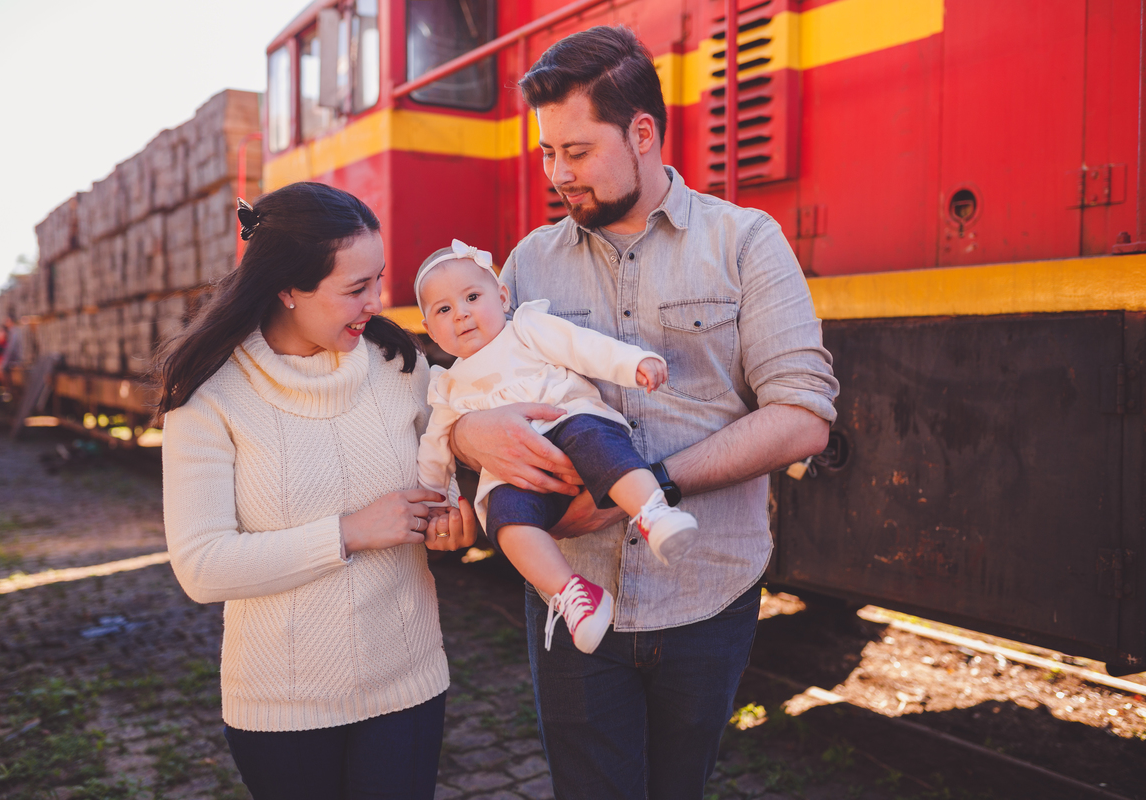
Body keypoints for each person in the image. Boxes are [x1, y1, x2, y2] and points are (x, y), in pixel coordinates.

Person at [449, 26, 840, 800]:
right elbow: (470, 387)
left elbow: (802, 414)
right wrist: (466, 434)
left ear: (642, 132)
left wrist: (644, 484)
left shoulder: (746, 243)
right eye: (547, 154)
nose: (558, 175)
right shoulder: (526, 263)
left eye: (577, 152)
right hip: (573, 599)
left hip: (707, 595)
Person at [157, 182, 477, 800]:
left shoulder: (400, 364)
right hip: (282, 706)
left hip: (408, 683)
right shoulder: (210, 396)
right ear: (288, 289)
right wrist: (350, 532)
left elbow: (448, 468)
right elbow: (202, 567)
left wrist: (454, 520)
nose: (375, 302)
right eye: (355, 289)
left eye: (377, 281)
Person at [415, 239, 699, 655]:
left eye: (472, 297)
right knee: (506, 521)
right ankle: (573, 596)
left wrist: (631, 362)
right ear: (429, 328)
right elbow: (433, 450)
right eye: (443, 310)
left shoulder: (526, 329)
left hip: (568, 420)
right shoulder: (447, 385)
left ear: (502, 296)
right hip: (517, 474)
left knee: (597, 441)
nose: (461, 313)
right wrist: (435, 499)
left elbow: (582, 346)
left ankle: (652, 512)